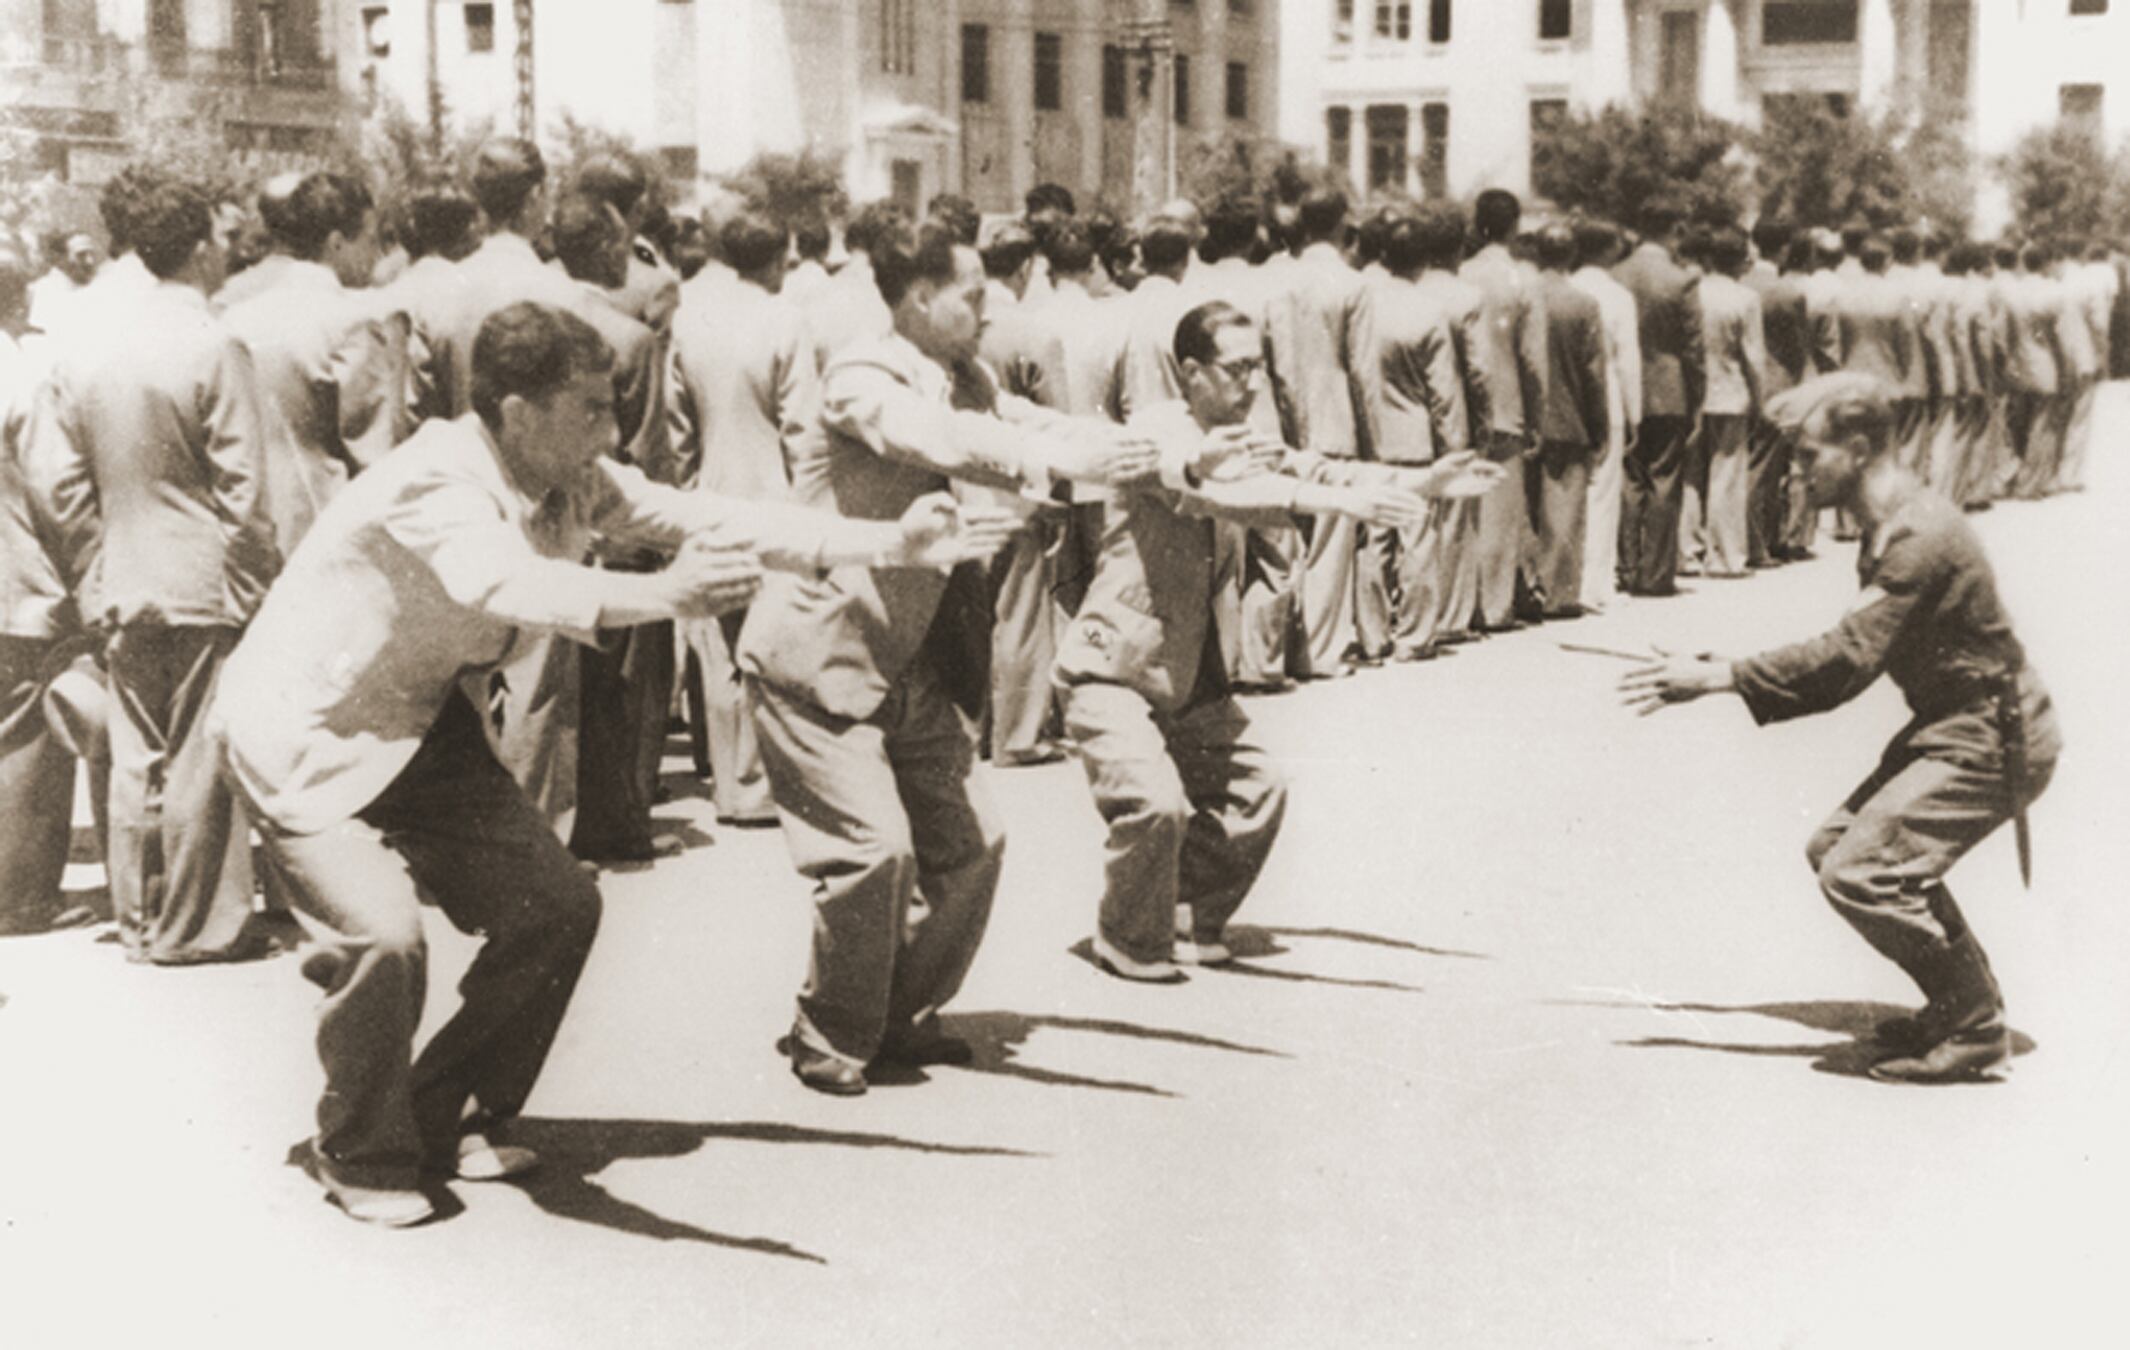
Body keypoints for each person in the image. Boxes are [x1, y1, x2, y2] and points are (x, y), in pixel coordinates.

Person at [208, 301, 1012, 1226]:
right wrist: (663, 595)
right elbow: (506, 583)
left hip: (418, 717)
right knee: (383, 939)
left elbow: (711, 514)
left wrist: (889, 542)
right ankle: (360, 1149)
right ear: (516, 411)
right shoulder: (439, 478)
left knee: (556, 906)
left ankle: (453, 1109)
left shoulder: (572, 477)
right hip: (300, 728)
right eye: (589, 408)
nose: (612, 429)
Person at [737, 217, 1165, 1098]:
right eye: (973, 294)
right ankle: (829, 1031)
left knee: (974, 843)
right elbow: (928, 437)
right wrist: (1038, 455)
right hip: (818, 655)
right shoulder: (864, 373)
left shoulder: (965, 372)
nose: (989, 305)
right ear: (921, 298)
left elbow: (1028, 420)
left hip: (903, 662)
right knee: (872, 855)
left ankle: (897, 1015)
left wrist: (1135, 447)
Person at [1622, 376, 2059, 1085]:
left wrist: (1723, 676)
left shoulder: (1918, 536)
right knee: (1839, 848)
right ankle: (1957, 1004)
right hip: (1961, 720)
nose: (1797, 471)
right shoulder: (1893, 520)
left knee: (1863, 870)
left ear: (1857, 450)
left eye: (1807, 455)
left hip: (1991, 733)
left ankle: (1975, 1024)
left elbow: (1847, 660)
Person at [1063, 300, 1501, 981]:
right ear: (1192, 372)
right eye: (1236, 369)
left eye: (1257, 368)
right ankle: (1126, 936)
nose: (1252, 383)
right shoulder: (1155, 433)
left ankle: (1184, 910)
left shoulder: (1241, 430)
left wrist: (1422, 481)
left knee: (1258, 788)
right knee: (1153, 803)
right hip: (1115, 664)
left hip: (1187, 668)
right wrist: (1328, 504)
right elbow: (1210, 492)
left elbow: (1318, 468)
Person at [26, 173, 278, 965]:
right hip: (204, 577)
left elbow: (57, 480)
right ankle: (195, 925)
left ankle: (137, 918)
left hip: (122, 577)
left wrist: (95, 567)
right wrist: (251, 586)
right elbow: (245, 489)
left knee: (135, 757)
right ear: (202, 248)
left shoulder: (91, 347)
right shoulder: (214, 342)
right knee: (203, 757)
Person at [667, 210, 816, 825]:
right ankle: (758, 787)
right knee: (768, 650)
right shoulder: (785, 320)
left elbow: (679, 430)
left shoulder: (691, 320)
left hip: (710, 498)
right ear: (779, 257)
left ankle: (728, 785)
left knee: (720, 653)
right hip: (773, 503)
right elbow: (803, 428)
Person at [1, 246, 108, 936]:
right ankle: (18, 897)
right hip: (15, 578)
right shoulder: (22, 371)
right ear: (19, 302)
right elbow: (51, 487)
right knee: (22, 728)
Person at [217, 171, 405, 554]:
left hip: (244, 537)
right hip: (322, 536)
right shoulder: (354, 321)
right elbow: (374, 458)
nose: (377, 256)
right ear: (337, 243)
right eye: (369, 241)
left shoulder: (234, 317)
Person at [1261, 186, 1377, 674]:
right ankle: (1321, 650)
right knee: (1330, 548)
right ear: (1340, 224)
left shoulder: (1275, 280)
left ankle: (1279, 648)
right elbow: (1363, 372)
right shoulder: (1352, 285)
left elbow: (1279, 362)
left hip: (1283, 422)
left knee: (1287, 545)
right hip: (1335, 424)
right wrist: (1373, 442)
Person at [1363, 208, 1472, 659]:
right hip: (1413, 440)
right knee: (1417, 542)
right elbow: (1443, 391)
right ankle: (1412, 636)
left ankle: (1371, 634)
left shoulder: (1361, 302)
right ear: (1425, 261)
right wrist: (1455, 448)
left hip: (1367, 438)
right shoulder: (1429, 312)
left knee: (1372, 541)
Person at [1457, 189, 1544, 627]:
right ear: (1515, 226)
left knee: (1467, 510)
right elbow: (1531, 359)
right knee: (1500, 512)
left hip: (1462, 405)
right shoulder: (1523, 278)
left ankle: (1463, 601)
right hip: (1508, 405)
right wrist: (1537, 413)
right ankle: (1493, 606)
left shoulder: (1461, 273)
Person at [1613, 196, 1706, 597]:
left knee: (1630, 479)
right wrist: (1698, 398)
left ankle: (1627, 567)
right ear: (1674, 231)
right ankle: (1656, 574)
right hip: (1669, 391)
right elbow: (1694, 348)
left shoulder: (1616, 273)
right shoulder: (1680, 279)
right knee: (1664, 481)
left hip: (1624, 391)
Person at [1526, 223, 1610, 615]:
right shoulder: (1583, 304)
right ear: (1572, 255)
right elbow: (1594, 373)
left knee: (1526, 512)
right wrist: (1600, 427)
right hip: (1568, 418)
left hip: (1525, 420)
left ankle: (1524, 591)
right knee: (1563, 516)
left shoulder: (1521, 294)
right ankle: (1558, 594)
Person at [1680, 225, 1766, 580]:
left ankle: (1687, 551)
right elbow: (1754, 357)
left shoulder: (1690, 292)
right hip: (1731, 393)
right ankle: (1726, 555)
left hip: (1693, 395)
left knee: (1690, 477)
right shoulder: (1745, 298)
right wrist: (1760, 400)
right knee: (1727, 478)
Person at [1570, 217, 1641, 612]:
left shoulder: (1570, 286)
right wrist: (1636, 414)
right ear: (1609, 249)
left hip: (1565, 402)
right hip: (1609, 400)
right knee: (1602, 495)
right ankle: (1595, 584)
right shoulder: (1617, 296)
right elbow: (1627, 361)